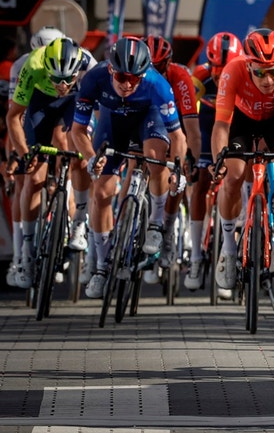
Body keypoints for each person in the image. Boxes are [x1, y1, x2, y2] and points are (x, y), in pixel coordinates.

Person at [71, 37, 188, 299]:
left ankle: (155, 225)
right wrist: (91, 157)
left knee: (155, 158)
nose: (127, 84)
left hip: (149, 119)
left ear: (144, 74)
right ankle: (102, 267)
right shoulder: (93, 78)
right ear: (110, 69)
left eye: (134, 79)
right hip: (112, 122)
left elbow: (178, 136)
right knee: (102, 192)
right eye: (122, 77)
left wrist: (178, 170)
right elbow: (78, 130)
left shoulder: (158, 84)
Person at [210, 28, 274, 292]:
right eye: (260, 73)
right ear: (248, 65)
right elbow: (221, 126)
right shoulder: (233, 71)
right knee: (233, 174)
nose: (268, 80)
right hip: (242, 121)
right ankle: (228, 250)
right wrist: (219, 159)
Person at [5, 37, 95, 288]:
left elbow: (100, 114)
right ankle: (26, 252)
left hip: (74, 104)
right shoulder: (33, 65)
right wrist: (24, 153)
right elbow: (13, 117)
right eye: (56, 79)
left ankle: (79, 221)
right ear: (46, 68)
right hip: (40, 103)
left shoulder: (90, 67)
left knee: (80, 155)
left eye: (68, 79)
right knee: (34, 178)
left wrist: (94, 150)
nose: (62, 85)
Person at [3, 27, 64, 286]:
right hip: (31, 108)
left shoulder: (72, 60)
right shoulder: (23, 65)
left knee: (65, 142)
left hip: (60, 105)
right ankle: (20, 256)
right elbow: (15, 115)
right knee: (24, 180)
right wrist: (20, 154)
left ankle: (64, 200)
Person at [187, 32, 243, 291]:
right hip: (209, 125)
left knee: (238, 178)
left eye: (225, 70)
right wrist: (189, 152)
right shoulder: (200, 75)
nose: (220, 77)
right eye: (216, 70)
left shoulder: (245, 74)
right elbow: (187, 113)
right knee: (200, 182)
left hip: (237, 126)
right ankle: (195, 256)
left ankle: (234, 243)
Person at [143, 35, 201, 271]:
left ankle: (166, 229)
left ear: (168, 63)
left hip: (173, 123)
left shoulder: (180, 77)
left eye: (159, 67)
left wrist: (192, 159)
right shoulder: (136, 75)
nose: (153, 72)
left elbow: (191, 129)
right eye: (149, 67)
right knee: (133, 165)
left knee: (177, 173)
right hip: (145, 119)